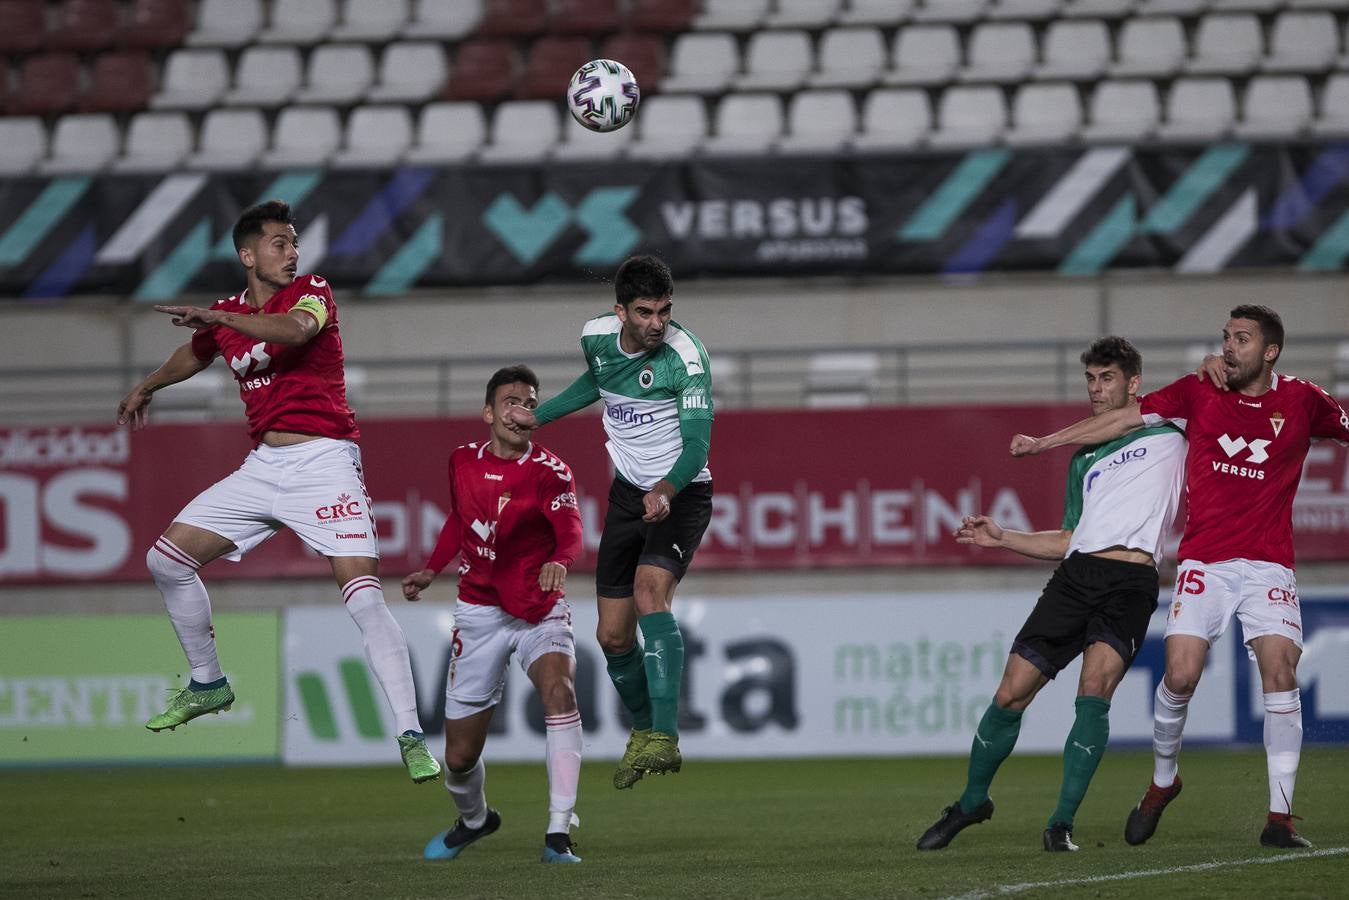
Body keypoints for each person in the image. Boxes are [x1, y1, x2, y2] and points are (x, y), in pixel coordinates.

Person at [115, 200, 440, 784]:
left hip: (326, 462)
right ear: (248, 254)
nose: (293, 253)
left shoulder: (312, 291)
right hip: (264, 466)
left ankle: (412, 735)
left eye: (294, 243)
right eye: (280, 243)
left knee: (364, 597)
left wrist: (221, 322)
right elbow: (194, 353)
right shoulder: (228, 314)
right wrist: (149, 385)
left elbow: (294, 331)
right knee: (165, 560)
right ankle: (209, 683)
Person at [1011, 305, 1349, 850]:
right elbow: (1124, 418)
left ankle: (1279, 819)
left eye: (1242, 338)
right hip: (1205, 562)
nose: (1229, 346)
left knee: (1282, 671)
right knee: (1182, 675)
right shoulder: (1198, 390)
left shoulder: (1305, 400)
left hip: (1268, 564)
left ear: (1271, 351)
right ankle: (1163, 782)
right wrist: (1045, 443)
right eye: (1226, 337)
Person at [917, 338, 1186, 853]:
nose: (1096, 389)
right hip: (1077, 577)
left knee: (1093, 692)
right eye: (1090, 379)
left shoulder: (1172, 429)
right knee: (1010, 693)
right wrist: (1004, 537)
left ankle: (1060, 823)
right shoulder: (1084, 459)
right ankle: (972, 802)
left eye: (1107, 378)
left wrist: (1042, 441)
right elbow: (1069, 538)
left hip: (1130, 583)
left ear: (1133, 383)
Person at [503, 255, 713, 789]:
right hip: (628, 498)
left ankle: (665, 736)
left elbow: (696, 446)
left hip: (681, 493)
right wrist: (539, 417)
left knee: (649, 595)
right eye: (644, 312)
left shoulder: (686, 358)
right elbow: (595, 382)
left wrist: (666, 489)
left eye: (665, 311)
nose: (657, 324)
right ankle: (643, 731)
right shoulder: (595, 337)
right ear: (619, 311)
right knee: (612, 635)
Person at [403, 366, 585, 864]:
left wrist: (558, 561)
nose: (519, 408)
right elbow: (461, 518)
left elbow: (571, 532)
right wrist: (431, 569)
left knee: (560, 691)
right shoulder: (461, 461)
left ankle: (557, 833)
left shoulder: (551, 471)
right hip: (479, 612)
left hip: (537, 611)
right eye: (509, 400)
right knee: (458, 759)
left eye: (528, 401)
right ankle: (476, 820)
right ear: (489, 412)